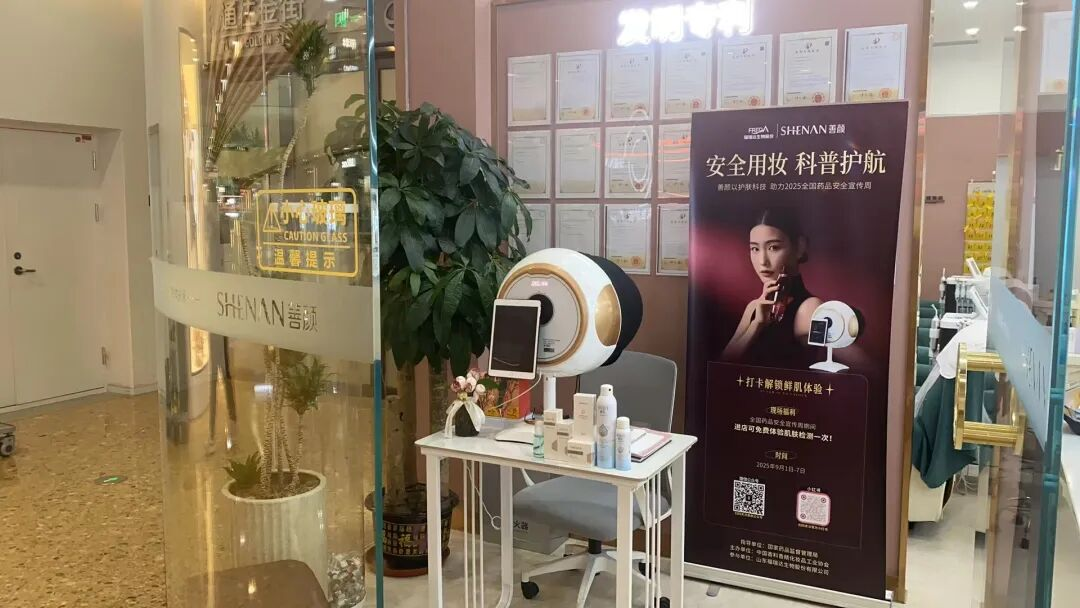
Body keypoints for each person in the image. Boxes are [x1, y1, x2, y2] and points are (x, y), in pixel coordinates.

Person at [722, 208, 823, 366]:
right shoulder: (754, 307)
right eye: (755, 249)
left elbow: (853, 363)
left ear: (800, 247)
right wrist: (757, 324)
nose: (762, 261)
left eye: (773, 248)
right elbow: (723, 364)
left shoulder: (810, 308)